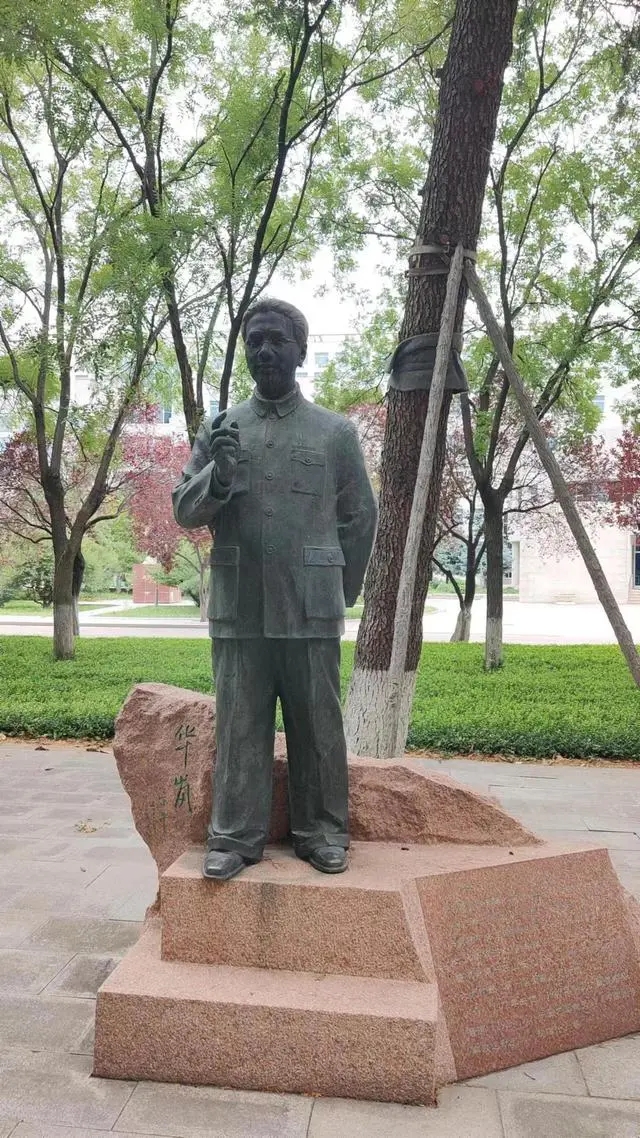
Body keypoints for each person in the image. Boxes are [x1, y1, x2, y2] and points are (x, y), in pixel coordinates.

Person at [172, 299, 377, 880]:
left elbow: (360, 515)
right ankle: (234, 837)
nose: (264, 351)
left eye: (276, 341)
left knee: (318, 724)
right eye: (254, 341)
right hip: (240, 604)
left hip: (311, 605)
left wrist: (340, 588)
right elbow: (185, 509)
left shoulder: (334, 432)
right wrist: (219, 475)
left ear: (301, 351)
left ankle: (323, 832)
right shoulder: (220, 430)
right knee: (239, 724)